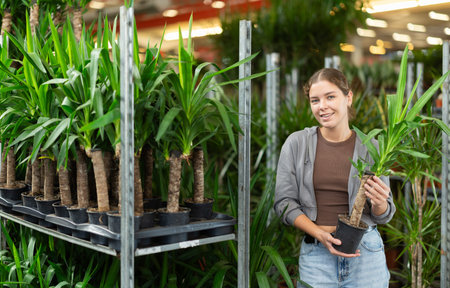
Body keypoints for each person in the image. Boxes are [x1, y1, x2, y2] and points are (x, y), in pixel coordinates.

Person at [274, 68, 396, 288]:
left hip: (365, 253)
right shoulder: (297, 144)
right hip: (316, 256)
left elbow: (384, 214)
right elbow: (283, 203)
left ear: (348, 97)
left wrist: (379, 204)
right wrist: (319, 234)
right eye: (315, 100)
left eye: (330, 97)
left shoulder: (372, 148)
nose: (323, 106)